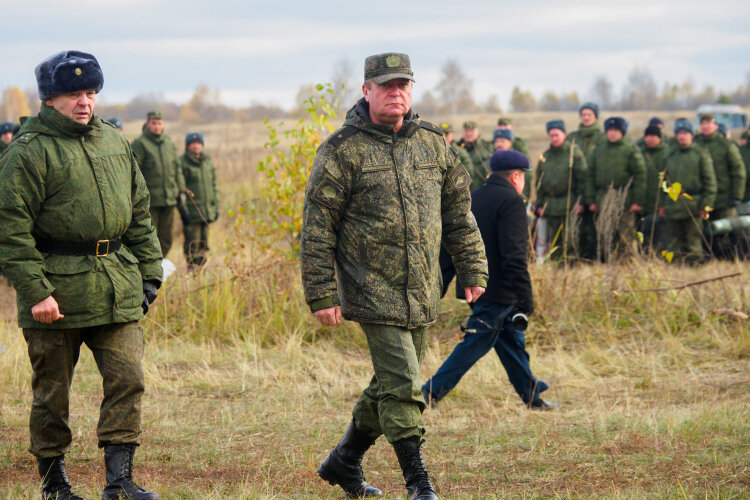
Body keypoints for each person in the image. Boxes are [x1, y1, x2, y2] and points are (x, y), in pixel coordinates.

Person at [301, 52, 488, 500]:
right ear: (366, 91)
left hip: (422, 289)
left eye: (403, 84)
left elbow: (459, 214)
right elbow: (317, 226)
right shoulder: (341, 150)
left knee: (388, 383)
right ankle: (418, 484)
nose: (395, 92)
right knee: (405, 385)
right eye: (386, 85)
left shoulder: (433, 143)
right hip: (371, 289)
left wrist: (473, 268)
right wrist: (321, 291)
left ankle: (343, 461)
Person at [0, 50, 162, 500]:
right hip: (55, 294)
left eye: (90, 92)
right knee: (52, 393)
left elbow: (140, 215)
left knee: (128, 377)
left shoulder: (113, 142)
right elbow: (10, 231)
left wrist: (150, 276)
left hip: (116, 285)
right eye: (73, 93)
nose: (84, 101)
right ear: (50, 99)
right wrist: (36, 292)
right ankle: (54, 482)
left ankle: (120, 481)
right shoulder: (27, 154)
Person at [422, 150, 558, 410]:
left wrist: (442, 283)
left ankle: (533, 397)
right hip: (498, 291)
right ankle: (429, 393)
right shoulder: (512, 202)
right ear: (516, 176)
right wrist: (526, 298)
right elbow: (514, 257)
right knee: (475, 342)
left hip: (474, 286)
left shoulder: (473, 198)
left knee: (510, 341)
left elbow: (451, 247)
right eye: (523, 178)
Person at [585, 117, 646, 260]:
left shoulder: (631, 150)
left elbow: (640, 177)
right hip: (603, 198)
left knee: (626, 234)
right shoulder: (598, 151)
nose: (612, 134)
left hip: (625, 199)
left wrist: (638, 200)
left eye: (616, 130)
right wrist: (591, 200)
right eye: (610, 130)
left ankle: (627, 263)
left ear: (622, 132)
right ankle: (606, 262)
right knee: (605, 233)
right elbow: (590, 176)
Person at [658, 119, 716, 263]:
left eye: (685, 133)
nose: (682, 136)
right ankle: (677, 267)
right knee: (674, 240)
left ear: (691, 135)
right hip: (673, 203)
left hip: (694, 203)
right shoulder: (670, 155)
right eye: (679, 133)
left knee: (693, 240)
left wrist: (706, 204)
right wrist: (662, 204)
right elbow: (663, 182)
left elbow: (710, 181)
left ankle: (695, 266)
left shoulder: (700, 154)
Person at [131, 110, 185, 257]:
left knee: (167, 237)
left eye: (159, 123)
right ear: (147, 124)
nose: (156, 126)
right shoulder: (140, 143)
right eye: (153, 123)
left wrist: (181, 190)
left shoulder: (168, 143)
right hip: (150, 201)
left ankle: (162, 266)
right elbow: (134, 171)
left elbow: (177, 167)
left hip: (169, 199)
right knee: (150, 236)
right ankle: (150, 268)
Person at [534, 120, 587, 261]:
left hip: (569, 203)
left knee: (570, 240)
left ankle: (571, 266)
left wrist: (581, 202)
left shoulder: (574, 153)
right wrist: (540, 204)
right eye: (551, 136)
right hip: (551, 205)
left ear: (564, 134)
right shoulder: (546, 156)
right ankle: (556, 266)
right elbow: (539, 182)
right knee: (554, 240)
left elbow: (583, 179)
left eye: (557, 135)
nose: (554, 139)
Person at [568, 102, 606, 260]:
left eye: (589, 115)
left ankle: (596, 256)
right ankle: (577, 255)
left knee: (595, 224)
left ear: (596, 117)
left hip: (596, 186)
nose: (586, 118)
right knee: (577, 224)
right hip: (576, 186)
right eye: (583, 115)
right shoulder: (573, 137)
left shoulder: (602, 138)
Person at [179, 132, 219, 271]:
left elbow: (213, 185)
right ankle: (192, 271)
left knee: (204, 243)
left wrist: (215, 207)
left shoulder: (207, 161)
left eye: (198, 143)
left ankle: (201, 271)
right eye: (193, 143)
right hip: (192, 212)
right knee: (192, 243)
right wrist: (184, 210)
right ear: (187, 146)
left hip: (206, 211)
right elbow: (181, 189)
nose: (196, 146)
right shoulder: (182, 163)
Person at [694, 113, 746, 220]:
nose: (706, 126)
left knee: (724, 230)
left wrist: (736, 196)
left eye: (709, 123)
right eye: (703, 124)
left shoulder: (726, 145)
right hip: (701, 199)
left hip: (723, 199)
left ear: (716, 126)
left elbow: (738, 171)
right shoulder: (695, 144)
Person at [637, 125, 669, 251]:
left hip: (658, 200)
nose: (650, 139)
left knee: (657, 231)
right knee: (641, 230)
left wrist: (664, 203)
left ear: (660, 138)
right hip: (643, 200)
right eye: (647, 136)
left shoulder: (666, 154)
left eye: (653, 136)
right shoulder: (639, 153)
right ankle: (643, 253)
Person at [456, 120, 493, 190]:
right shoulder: (456, 148)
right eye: (466, 131)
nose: (469, 134)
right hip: (462, 189)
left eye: (472, 131)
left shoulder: (486, 147)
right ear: (462, 133)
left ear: (478, 133)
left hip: (481, 187)